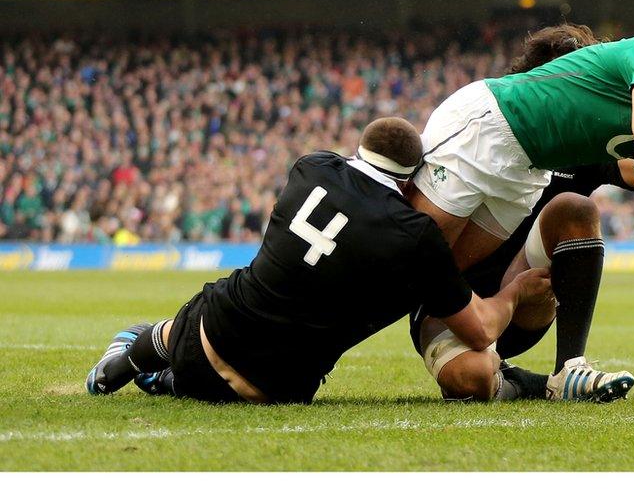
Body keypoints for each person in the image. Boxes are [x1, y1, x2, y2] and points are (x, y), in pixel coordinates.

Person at [84, 117, 551, 404]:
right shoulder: (415, 235)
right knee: (229, 358)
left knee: (192, 320)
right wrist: (517, 291)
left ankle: (125, 361)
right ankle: (160, 374)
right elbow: (481, 331)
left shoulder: (310, 167)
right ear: (414, 181)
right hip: (275, 389)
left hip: (207, 334)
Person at [408, 24, 634, 402]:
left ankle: (570, 368)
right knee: (471, 379)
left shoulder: (589, 149)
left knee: (575, 207)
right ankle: (521, 383)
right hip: (455, 303)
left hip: (523, 300)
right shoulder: (497, 137)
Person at [411, 19, 634, 273]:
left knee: (443, 269)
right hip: (493, 125)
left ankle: (499, 360)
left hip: (529, 166)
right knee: (415, 254)